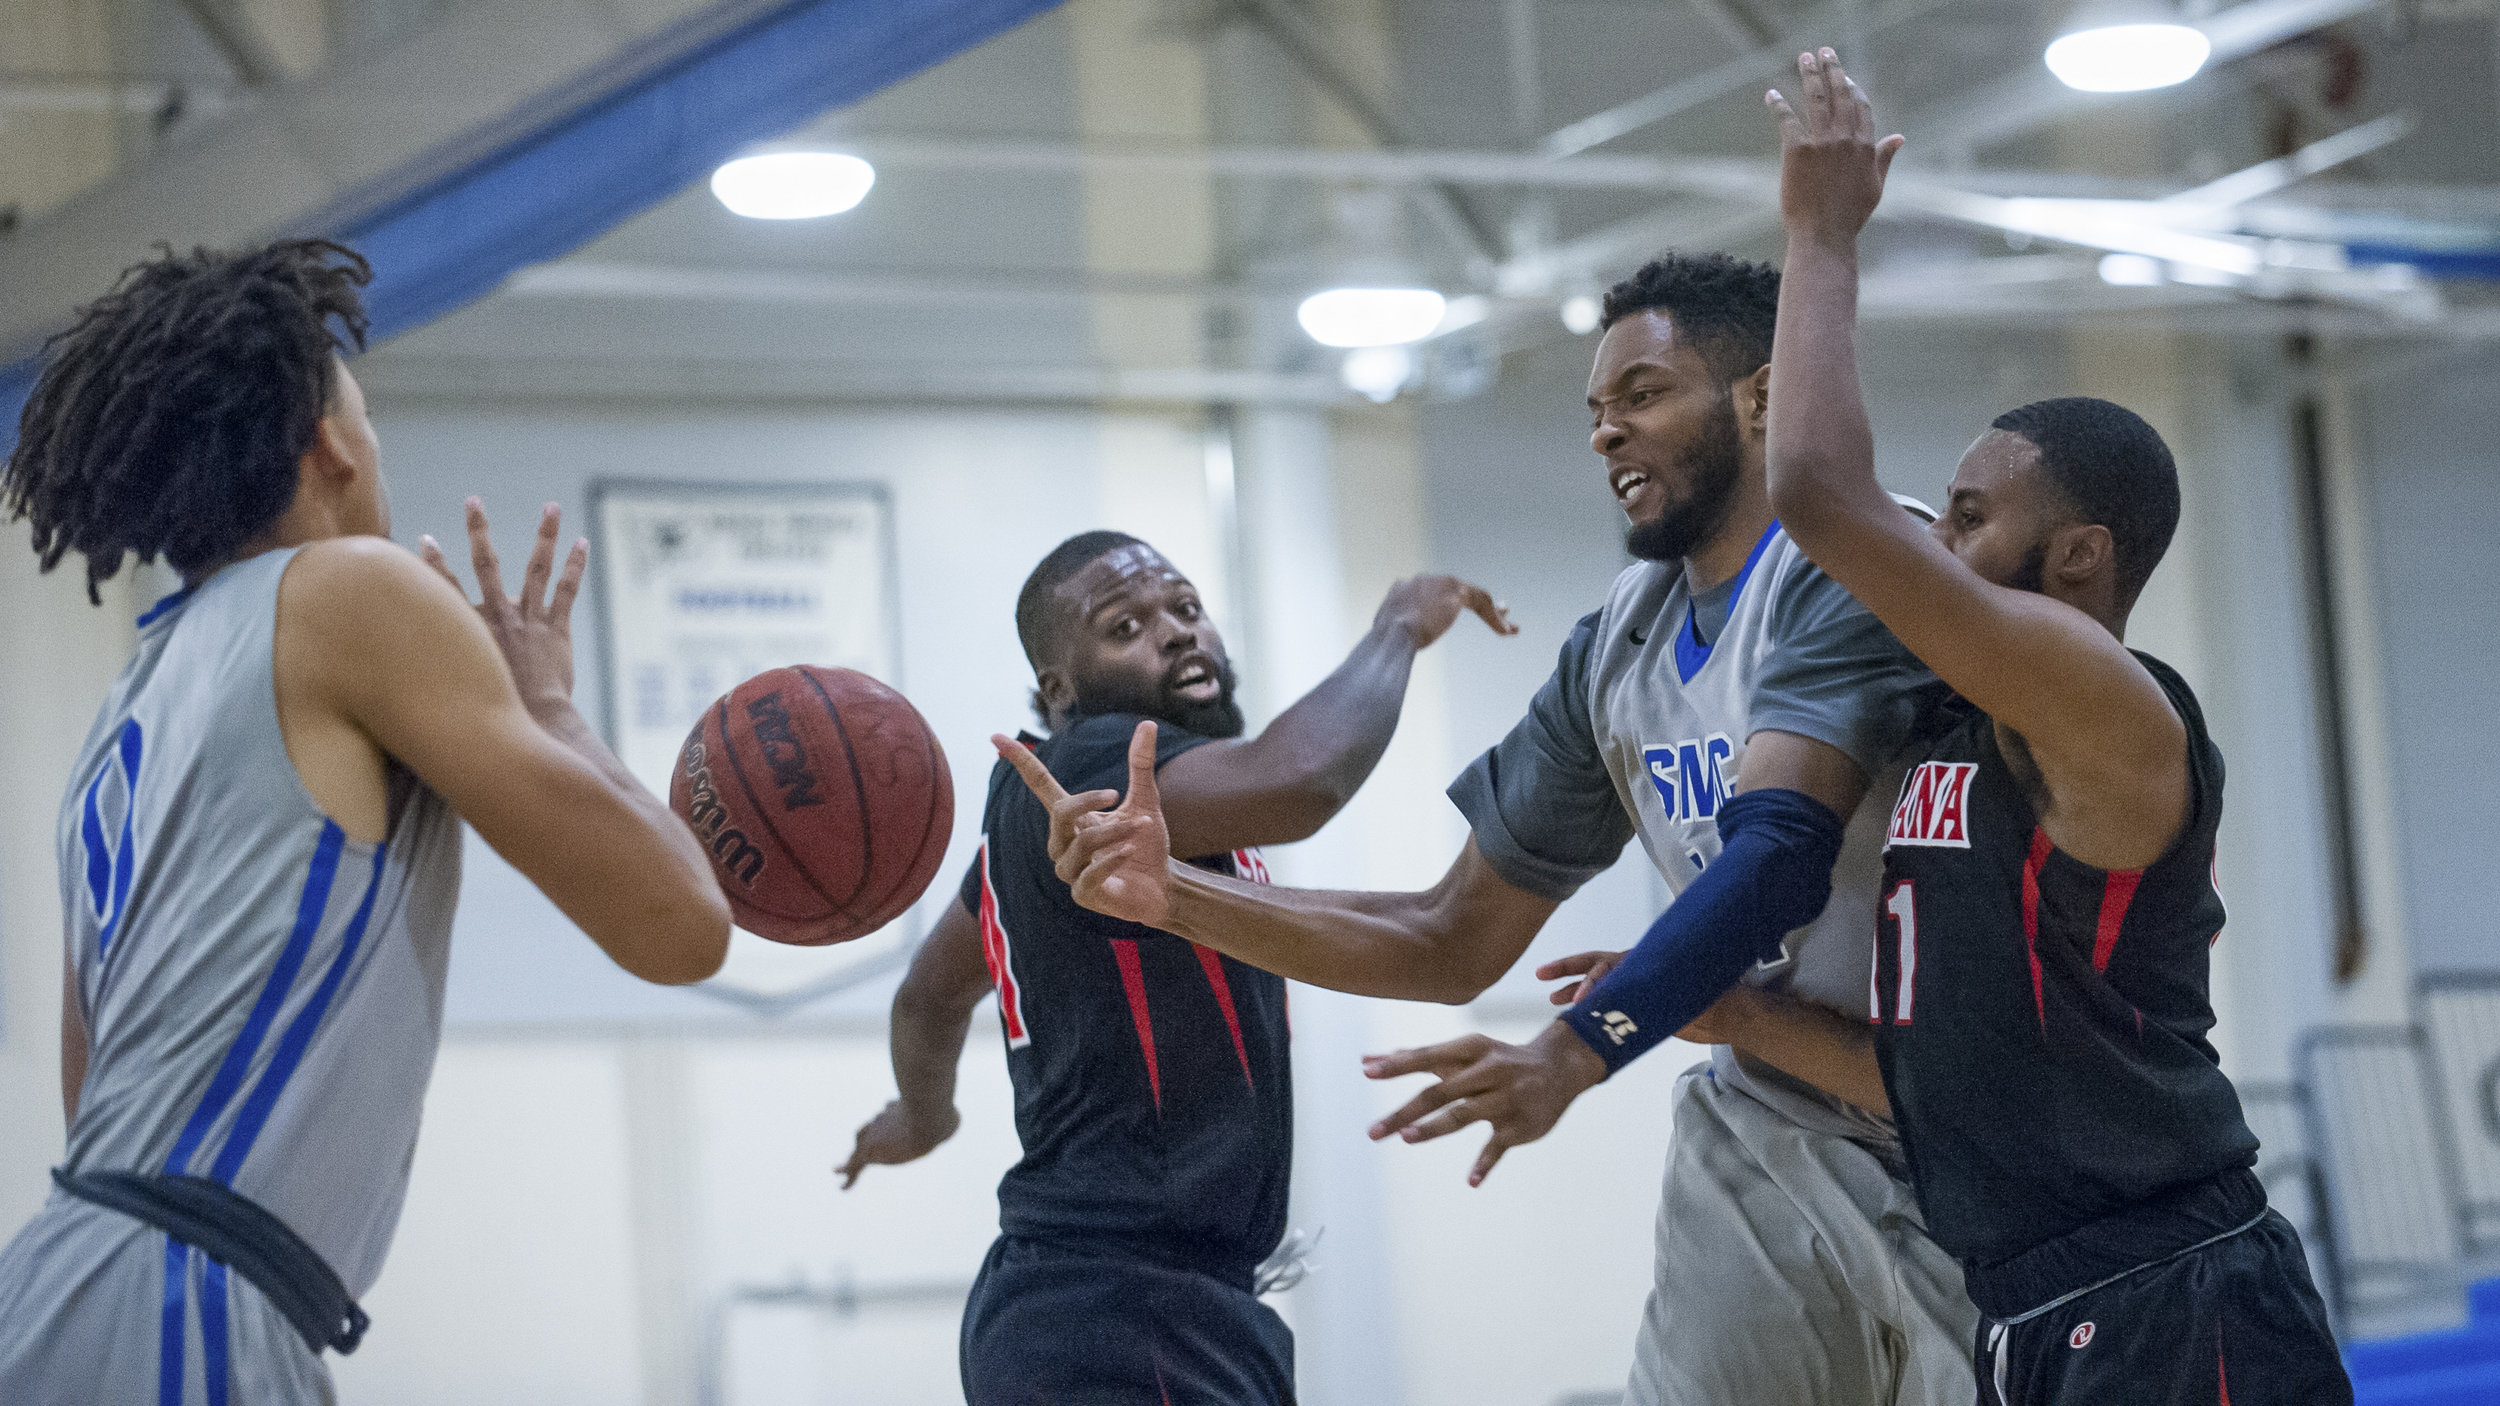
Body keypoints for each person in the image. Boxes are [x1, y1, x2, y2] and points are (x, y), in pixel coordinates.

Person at [1004, 254, 1982, 1405]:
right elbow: (1449, 933)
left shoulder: (1878, 565)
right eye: (1595, 411)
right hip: (1764, 1096)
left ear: (1759, 395)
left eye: (1644, 395)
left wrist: (1571, 1050)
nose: (1606, 434)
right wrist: (1179, 897)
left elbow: (1776, 859)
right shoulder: (1616, 645)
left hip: (1956, 1121)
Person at [1687, 49, 2347, 1404]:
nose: (1946, 534)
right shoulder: (1956, 729)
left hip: (2175, 1295)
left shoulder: (2114, 702)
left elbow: (1830, 495)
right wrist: (1728, 1009)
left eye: (1978, 516)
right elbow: (1933, 1076)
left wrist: (1818, 238)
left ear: (2081, 556)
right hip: (2033, 1307)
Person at [0, 240, 732, 1404]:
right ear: (329, 440)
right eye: (367, 412)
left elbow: (95, 1095)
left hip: (70, 1276)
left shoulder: (130, 704)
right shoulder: (354, 592)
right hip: (181, 1298)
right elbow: (680, 923)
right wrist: (545, 701)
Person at [839, 530, 1512, 1405]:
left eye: (1187, 609)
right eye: (1126, 626)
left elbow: (929, 999)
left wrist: (923, 1116)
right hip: (1122, 1309)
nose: (1177, 632)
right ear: (1060, 690)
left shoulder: (1081, 831)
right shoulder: (1091, 765)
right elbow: (1304, 779)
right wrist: (1396, 627)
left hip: (1128, 1302)